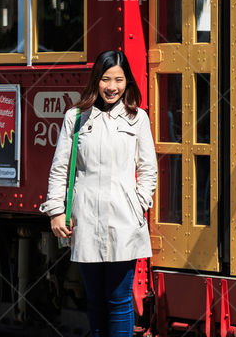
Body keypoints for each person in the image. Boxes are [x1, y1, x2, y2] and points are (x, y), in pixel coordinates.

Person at [40, 51, 157, 337]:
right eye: (106, 79)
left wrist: (137, 204)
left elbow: (148, 169)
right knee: (95, 301)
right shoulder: (76, 117)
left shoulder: (137, 118)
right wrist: (56, 211)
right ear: (96, 80)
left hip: (124, 220)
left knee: (119, 300)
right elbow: (60, 168)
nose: (112, 86)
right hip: (86, 219)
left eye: (119, 79)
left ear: (127, 81)